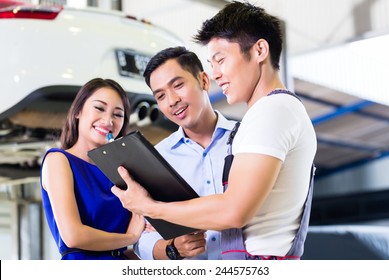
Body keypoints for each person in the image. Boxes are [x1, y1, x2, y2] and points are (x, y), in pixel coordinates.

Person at [112, 1, 317, 260]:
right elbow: (144, 236)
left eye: (221, 60)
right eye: (160, 95)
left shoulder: (271, 112)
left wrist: (152, 207)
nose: (217, 73)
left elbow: (233, 210)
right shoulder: (268, 114)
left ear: (260, 50)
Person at [133, 46, 238, 260]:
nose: (172, 101)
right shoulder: (157, 158)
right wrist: (171, 248)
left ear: (204, 81)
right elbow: (141, 234)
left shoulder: (247, 140)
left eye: (178, 85)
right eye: (160, 96)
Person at [40, 78, 145, 260]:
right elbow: (73, 236)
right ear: (78, 111)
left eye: (118, 114)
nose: (108, 120)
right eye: (99, 108)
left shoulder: (122, 172)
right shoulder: (58, 160)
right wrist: (131, 237)